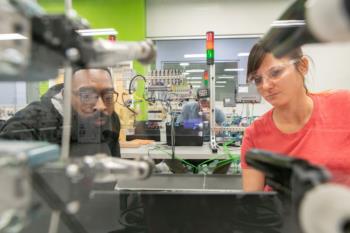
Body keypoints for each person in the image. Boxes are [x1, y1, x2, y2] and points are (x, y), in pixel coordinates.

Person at [241, 42, 350, 191]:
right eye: (258, 79)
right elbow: (252, 206)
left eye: (275, 72)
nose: (265, 86)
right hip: (283, 214)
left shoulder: (344, 105)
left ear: (303, 66)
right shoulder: (255, 135)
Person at [0, 68, 121, 157]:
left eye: (108, 96)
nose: (101, 106)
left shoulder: (109, 118)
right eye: (87, 96)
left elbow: (115, 174)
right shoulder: (28, 125)